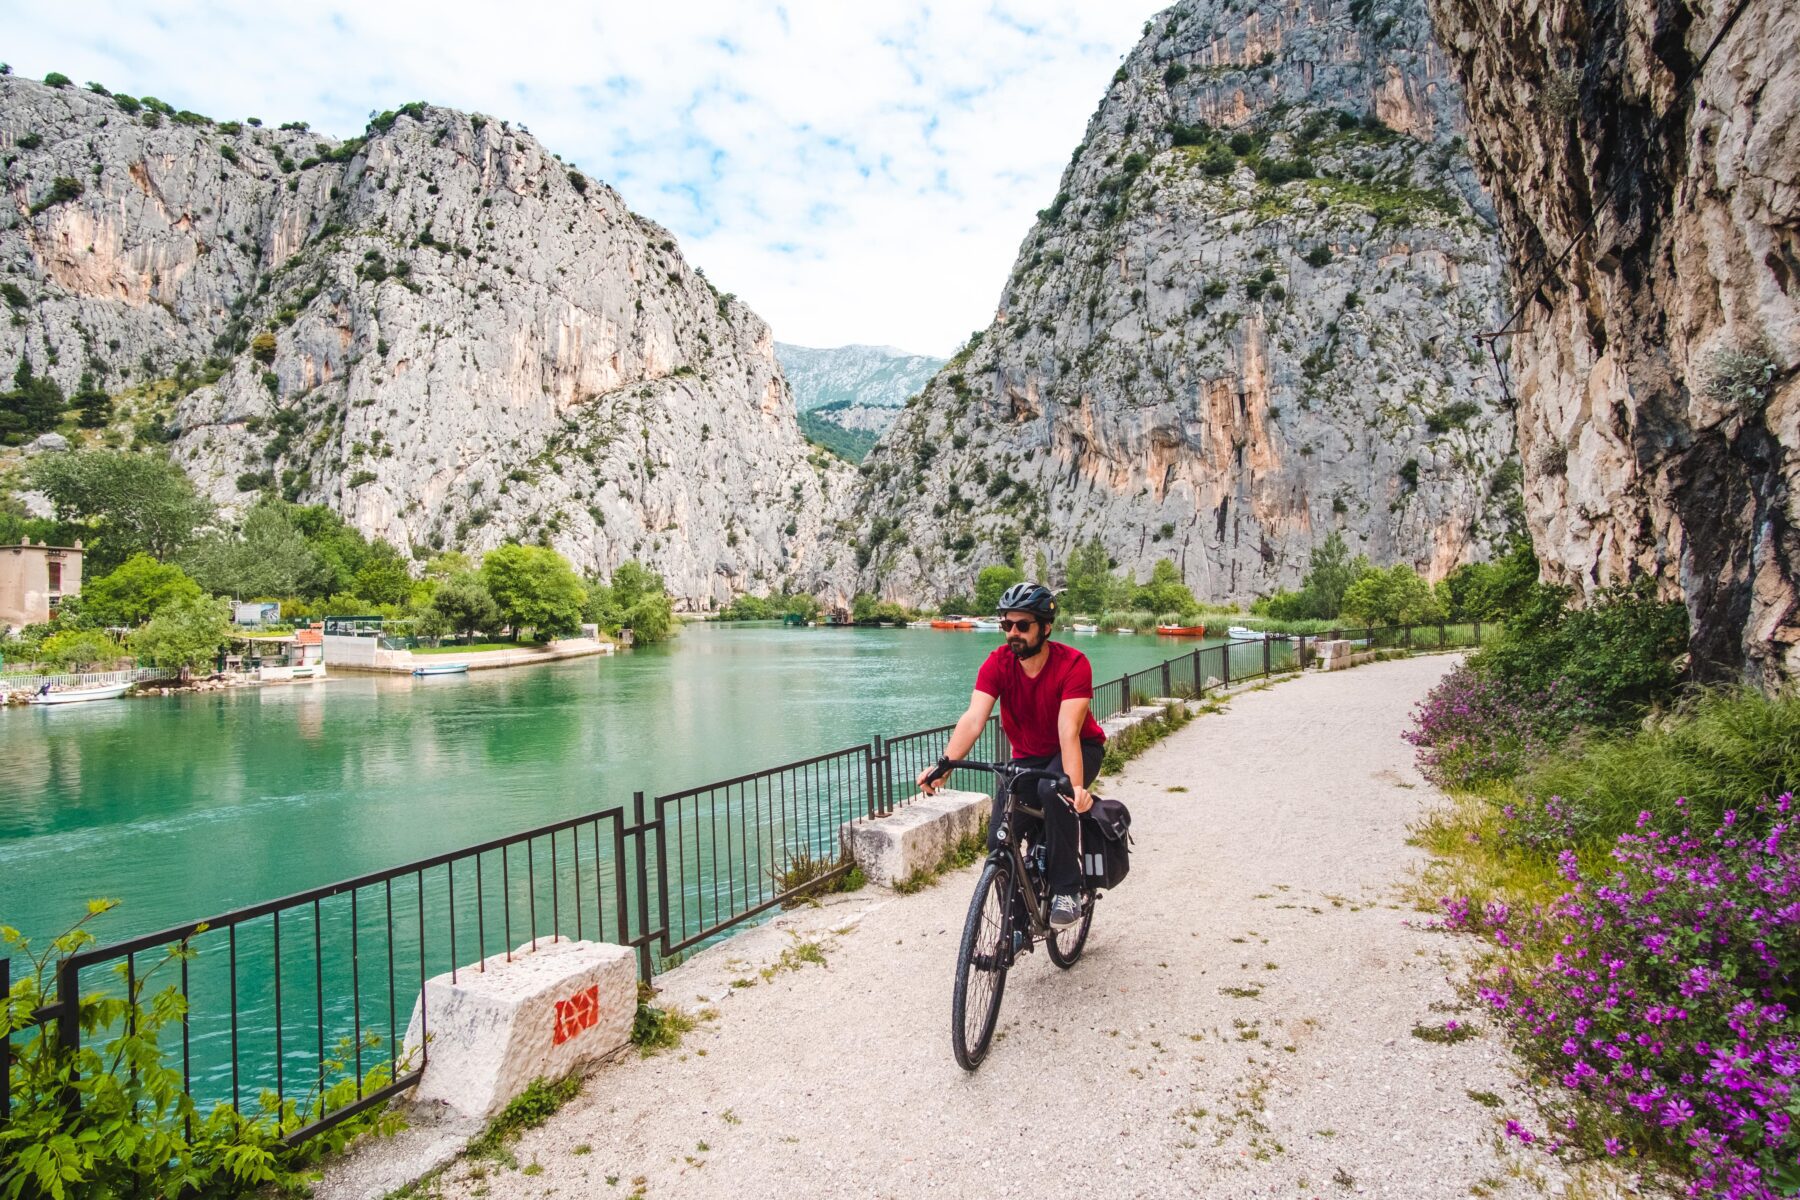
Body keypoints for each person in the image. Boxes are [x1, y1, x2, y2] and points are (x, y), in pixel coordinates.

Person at [917, 581, 1106, 926]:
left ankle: (1067, 890)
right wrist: (945, 765)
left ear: (1045, 628)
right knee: (999, 837)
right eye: (1006, 624)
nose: (1012, 633)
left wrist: (1075, 787)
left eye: (1022, 625)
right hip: (1028, 757)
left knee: (1053, 790)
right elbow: (974, 719)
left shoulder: (1073, 664)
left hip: (1080, 748)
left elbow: (1068, 731)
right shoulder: (998, 663)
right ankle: (1016, 923)